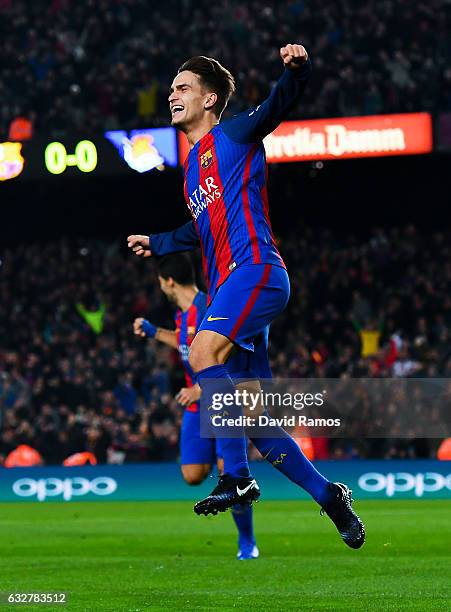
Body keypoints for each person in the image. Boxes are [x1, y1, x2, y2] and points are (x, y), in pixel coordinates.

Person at [128, 44, 365, 549]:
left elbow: (277, 106)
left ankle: (235, 477)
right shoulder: (192, 167)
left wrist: (296, 72)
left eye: (182, 87)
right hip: (233, 287)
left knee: (201, 352)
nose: (172, 94)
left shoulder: (232, 133)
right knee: (254, 418)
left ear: (210, 99)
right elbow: (199, 228)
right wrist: (159, 242)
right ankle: (330, 498)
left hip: (255, 271)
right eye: (172, 88)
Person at [133, 253, 259, 559]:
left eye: (160, 282)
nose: (161, 287)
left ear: (169, 281)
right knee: (192, 475)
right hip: (195, 406)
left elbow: (227, 354)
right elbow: (185, 342)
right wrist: (153, 332)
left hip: (221, 399)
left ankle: (247, 542)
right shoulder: (183, 315)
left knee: (228, 473)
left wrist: (198, 388)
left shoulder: (209, 307)